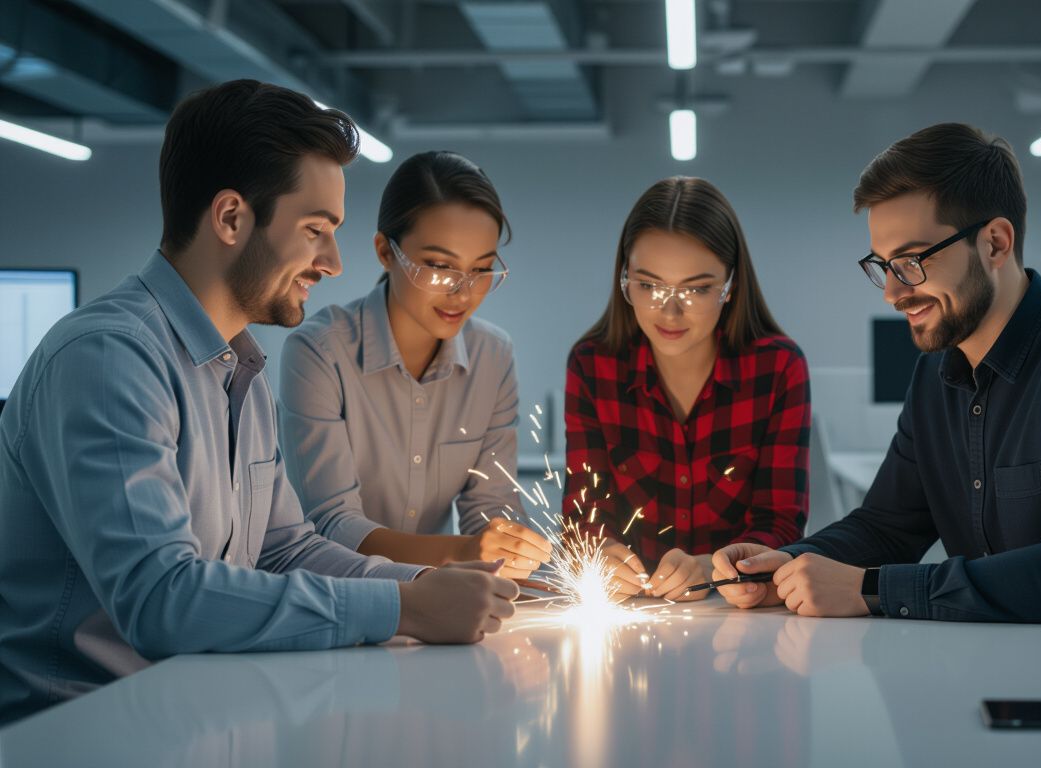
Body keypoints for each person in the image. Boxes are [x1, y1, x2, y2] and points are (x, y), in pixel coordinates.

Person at [0, 80, 516, 725]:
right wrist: (405, 609)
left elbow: (286, 549)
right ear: (231, 218)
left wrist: (422, 586)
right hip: (83, 731)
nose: (331, 262)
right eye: (315, 230)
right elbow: (162, 598)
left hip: (191, 716)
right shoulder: (109, 358)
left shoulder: (236, 366)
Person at [713, 123, 1041, 683]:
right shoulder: (937, 374)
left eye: (912, 261)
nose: (893, 292)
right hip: (1020, 680)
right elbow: (888, 527)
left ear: (994, 242)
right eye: (883, 266)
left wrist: (870, 588)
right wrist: (785, 563)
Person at [279, 151, 551, 579]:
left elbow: (491, 510)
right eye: (440, 267)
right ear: (385, 252)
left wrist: (511, 549)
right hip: (333, 594)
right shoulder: (318, 352)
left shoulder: (492, 356)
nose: (462, 293)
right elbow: (333, 525)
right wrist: (463, 552)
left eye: (481, 270)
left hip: (439, 598)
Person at [563, 176, 810, 602]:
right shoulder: (592, 365)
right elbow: (584, 519)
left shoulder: (778, 367)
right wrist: (598, 555)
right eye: (649, 285)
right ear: (624, 279)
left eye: (696, 288)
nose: (670, 310)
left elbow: (780, 524)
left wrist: (711, 567)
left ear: (731, 285)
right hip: (628, 613)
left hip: (737, 617)